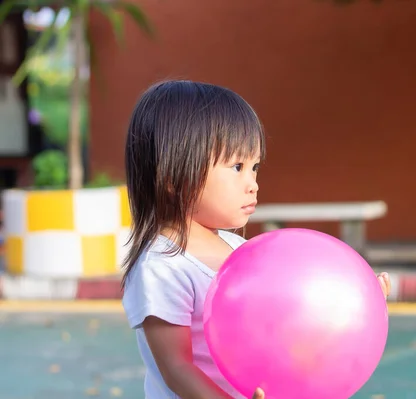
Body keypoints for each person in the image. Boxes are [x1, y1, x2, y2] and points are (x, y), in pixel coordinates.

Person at [121, 80, 392, 399]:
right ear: (172, 176)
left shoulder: (241, 251)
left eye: (255, 167)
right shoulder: (163, 266)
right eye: (237, 167)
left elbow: (287, 317)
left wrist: (353, 305)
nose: (253, 184)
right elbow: (177, 369)